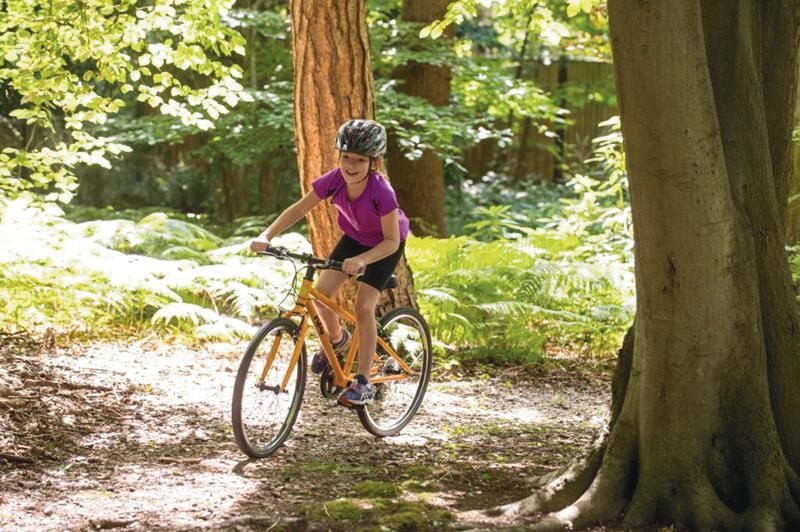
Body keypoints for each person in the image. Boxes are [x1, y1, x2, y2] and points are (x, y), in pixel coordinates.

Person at [250, 119, 410, 407]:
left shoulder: (381, 191)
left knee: (363, 306)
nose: (351, 165)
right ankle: (338, 341)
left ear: (373, 162)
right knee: (322, 296)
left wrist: (362, 260)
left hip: (386, 244)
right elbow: (300, 208)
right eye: (346, 157)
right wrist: (267, 235)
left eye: (359, 160)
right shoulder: (334, 180)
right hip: (354, 239)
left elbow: (390, 241)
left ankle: (363, 383)